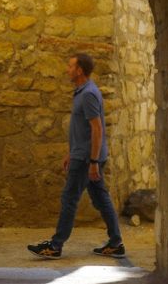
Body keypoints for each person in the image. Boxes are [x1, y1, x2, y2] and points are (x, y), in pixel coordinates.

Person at [28, 52, 127, 259]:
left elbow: (96, 129)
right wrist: (70, 152)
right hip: (82, 155)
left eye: (70, 66)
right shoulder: (83, 92)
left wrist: (92, 162)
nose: (67, 69)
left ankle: (55, 246)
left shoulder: (89, 94)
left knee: (69, 199)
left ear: (79, 70)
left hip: (85, 159)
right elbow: (82, 130)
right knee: (100, 197)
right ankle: (116, 242)